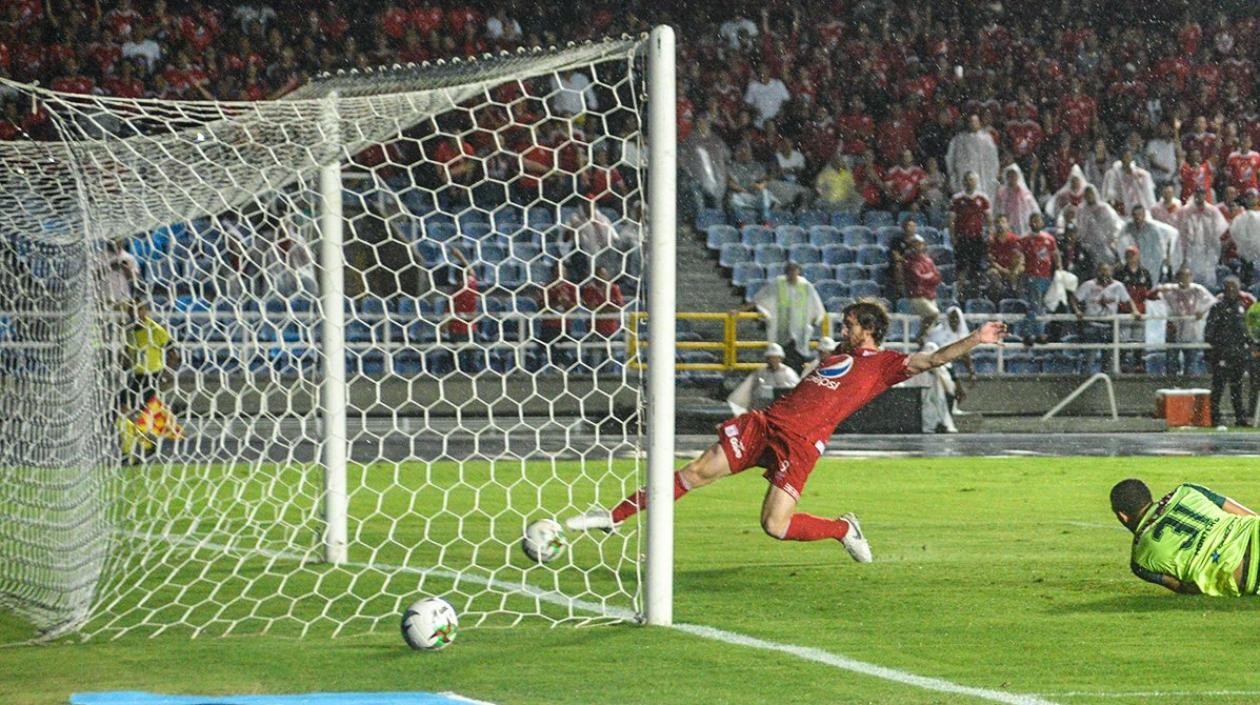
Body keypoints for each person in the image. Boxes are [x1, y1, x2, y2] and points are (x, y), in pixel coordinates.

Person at [565, 300, 1008, 560]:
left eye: (851, 322)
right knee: (695, 473)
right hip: (766, 424)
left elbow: (931, 360)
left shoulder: (886, 364)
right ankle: (614, 516)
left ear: (870, 329)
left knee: (774, 526)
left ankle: (842, 529)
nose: (844, 326)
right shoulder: (837, 354)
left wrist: (976, 338)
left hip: (800, 444)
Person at [1110, 478, 1258, 596]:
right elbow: (1250, 516)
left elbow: (1187, 588)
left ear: (1122, 516)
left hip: (1247, 576)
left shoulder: (1140, 563)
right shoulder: (1187, 490)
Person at [740, 262, 825, 373]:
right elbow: (761, 297)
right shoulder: (778, 283)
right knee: (782, 360)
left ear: (798, 272)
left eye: (794, 272)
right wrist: (740, 310)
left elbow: (816, 305)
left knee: (798, 362)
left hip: (800, 333)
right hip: (782, 331)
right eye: (789, 272)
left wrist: (815, 319)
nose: (792, 275)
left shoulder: (806, 286)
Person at [1073, 263, 1138, 372]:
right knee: (1089, 358)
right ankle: (1084, 381)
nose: (1104, 274)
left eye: (1107, 271)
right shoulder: (1088, 285)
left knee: (1110, 360)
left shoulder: (1118, 286)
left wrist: (1135, 311)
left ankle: (1108, 383)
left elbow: (1128, 300)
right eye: (1101, 271)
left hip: (1110, 326)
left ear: (1111, 272)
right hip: (1092, 324)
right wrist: (1077, 311)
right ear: (1097, 272)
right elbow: (1074, 299)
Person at [1205, 277, 1251, 427]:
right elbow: (1209, 333)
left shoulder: (1241, 307)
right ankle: (1214, 417)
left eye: (1235, 288)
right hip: (1222, 354)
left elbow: (1245, 330)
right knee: (1218, 387)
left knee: (1237, 387)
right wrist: (1220, 347)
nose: (1232, 291)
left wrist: (1247, 345)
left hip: (1238, 354)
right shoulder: (1217, 308)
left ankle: (1240, 417)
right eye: (1229, 288)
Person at [1155, 266, 1217, 375]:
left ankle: (1189, 384)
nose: (1185, 279)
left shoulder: (1198, 289)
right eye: (1182, 277)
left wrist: (1201, 311)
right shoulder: (1170, 289)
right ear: (1177, 278)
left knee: (1191, 362)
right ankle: (1171, 384)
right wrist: (1160, 289)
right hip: (1174, 330)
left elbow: (1213, 302)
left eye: (1187, 276)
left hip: (1191, 330)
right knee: (1171, 361)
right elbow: (1153, 294)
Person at [120, 301, 178, 416]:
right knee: (138, 407)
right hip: (136, 374)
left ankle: (130, 430)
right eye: (131, 309)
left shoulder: (156, 330)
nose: (135, 312)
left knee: (128, 402)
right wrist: (124, 366)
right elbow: (127, 351)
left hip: (153, 375)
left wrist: (166, 375)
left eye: (139, 309)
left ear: (145, 311)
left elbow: (173, 355)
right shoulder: (128, 330)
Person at [1174, 187, 1230, 288]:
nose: (1200, 196)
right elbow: (1179, 231)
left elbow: (1221, 229)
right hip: (1190, 250)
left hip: (1208, 250)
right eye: (1198, 193)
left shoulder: (1213, 211)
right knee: (1191, 279)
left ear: (1205, 195)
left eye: (1202, 194)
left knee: (1208, 279)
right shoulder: (1185, 211)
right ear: (1194, 195)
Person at [948, 170, 992, 298]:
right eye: (968, 180)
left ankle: (975, 295)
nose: (970, 182)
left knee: (976, 268)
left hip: (977, 238)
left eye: (972, 180)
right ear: (964, 182)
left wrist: (989, 233)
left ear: (976, 182)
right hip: (961, 237)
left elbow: (988, 218)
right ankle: (959, 295)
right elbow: (951, 219)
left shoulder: (982, 198)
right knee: (961, 267)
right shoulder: (957, 198)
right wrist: (952, 236)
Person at [726, 343, 802, 415]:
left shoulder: (789, 373)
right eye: (770, 358)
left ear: (780, 358)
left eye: (775, 357)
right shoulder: (760, 373)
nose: (773, 360)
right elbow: (748, 392)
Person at [945, 114, 999, 199]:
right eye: (971, 122)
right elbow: (951, 158)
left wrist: (992, 174)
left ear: (980, 123)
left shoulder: (987, 138)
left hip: (983, 175)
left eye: (975, 122)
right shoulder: (959, 139)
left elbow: (993, 158)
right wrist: (953, 174)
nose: (973, 124)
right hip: (964, 174)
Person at [1100, 151, 1157, 216]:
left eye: (1129, 157)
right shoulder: (1112, 173)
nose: (1127, 159)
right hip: (1121, 206)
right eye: (1125, 157)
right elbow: (1110, 193)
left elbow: (1148, 193)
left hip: (1137, 205)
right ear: (1121, 158)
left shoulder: (1140, 173)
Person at [901, 234, 941, 319]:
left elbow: (937, 277)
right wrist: (930, 275)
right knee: (934, 314)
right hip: (917, 297)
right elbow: (917, 277)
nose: (917, 247)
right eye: (914, 244)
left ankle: (924, 333)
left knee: (932, 323)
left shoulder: (928, 260)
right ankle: (921, 333)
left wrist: (927, 277)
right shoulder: (908, 261)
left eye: (919, 244)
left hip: (930, 295)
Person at [994, 164, 1040, 236]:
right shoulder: (1002, 192)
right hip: (1007, 224)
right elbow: (997, 209)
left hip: (1023, 224)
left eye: (1014, 175)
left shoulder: (1025, 192)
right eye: (1010, 175)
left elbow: (1034, 208)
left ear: (1018, 176)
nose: (1012, 177)